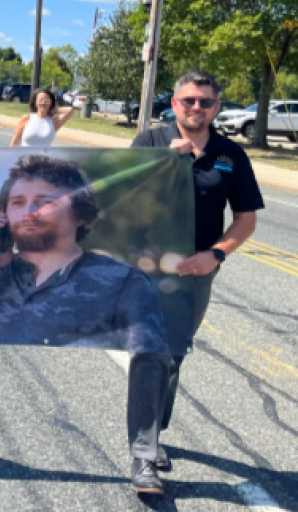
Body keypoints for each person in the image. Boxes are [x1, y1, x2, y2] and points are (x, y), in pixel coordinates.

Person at [0, 155, 173, 494]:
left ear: (79, 214)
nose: (28, 211)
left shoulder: (121, 280)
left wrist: (143, 450)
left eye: (45, 202)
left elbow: (150, 361)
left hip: (81, 445)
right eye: (17, 203)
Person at [131, 71, 263, 473]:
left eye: (206, 102)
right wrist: (161, 164)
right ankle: (143, 454)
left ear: (217, 107)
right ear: (174, 103)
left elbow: (245, 219)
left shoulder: (230, 154)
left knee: (174, 353)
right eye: (189, 100)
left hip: (197, 271)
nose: (197, 108)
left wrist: (216, 256)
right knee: (150, 352)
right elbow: (122, 199)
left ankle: (155, 430)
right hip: (147, 268)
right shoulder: (151, 142)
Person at [10, 88, 75, 147]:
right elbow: (15, 141)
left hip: (44, 159)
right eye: (40, 100)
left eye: (47, 100)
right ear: (36, 102)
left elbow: (70, 110)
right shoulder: (26, 118)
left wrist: (55, 110)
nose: (43, 102)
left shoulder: (54, 122)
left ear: (50, 103)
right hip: (26, 159)